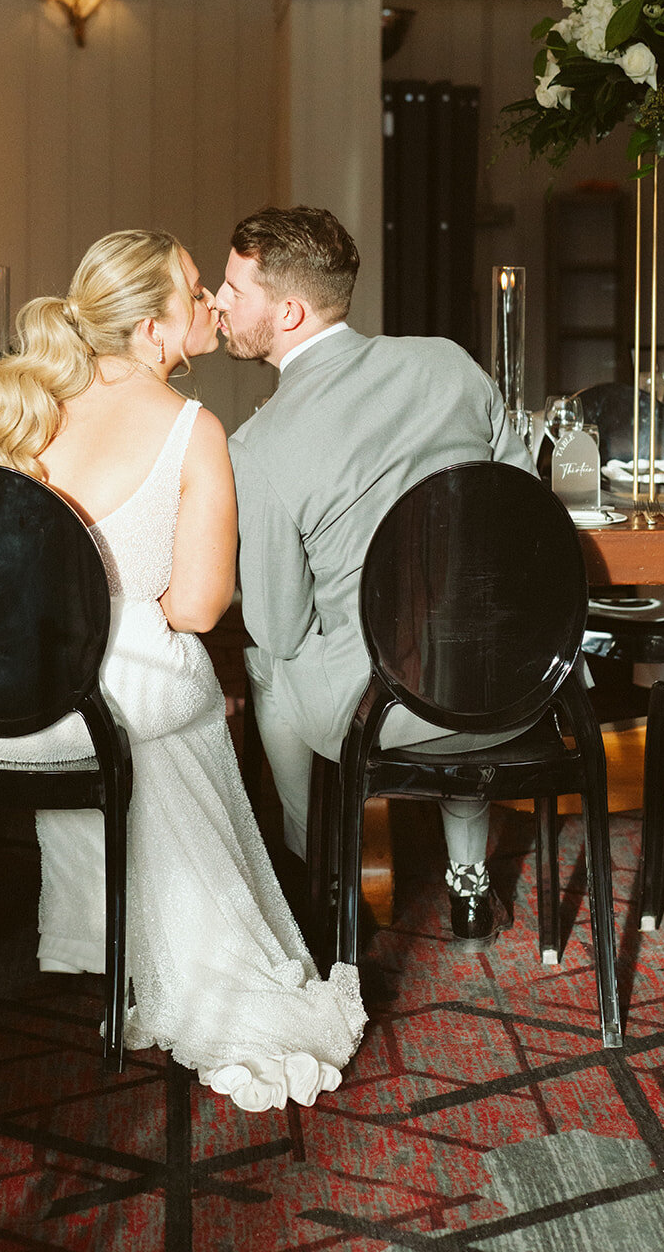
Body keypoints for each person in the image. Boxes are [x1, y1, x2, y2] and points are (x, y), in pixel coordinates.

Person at [0, 229, 365, 1110]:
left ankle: (99, 935)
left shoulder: (3, 411)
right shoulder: (191, 429)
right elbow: (200, 611)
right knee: (171, 680)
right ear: (152, 326)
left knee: (139, 684)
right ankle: (171, 957)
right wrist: (115, 619)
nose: (210, 301)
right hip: (83, 715)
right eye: (196, 287)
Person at [215, 206, 535, 945]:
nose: (218, 301)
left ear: (288, 310)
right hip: (517, 689)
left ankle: (318, 873)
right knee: (455, 629)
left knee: (266, 655)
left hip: (386, 711)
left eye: (234, 288)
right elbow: (523, 514)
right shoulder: (449, 362)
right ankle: (467, 879)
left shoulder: (258, 444)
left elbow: (277, 624)